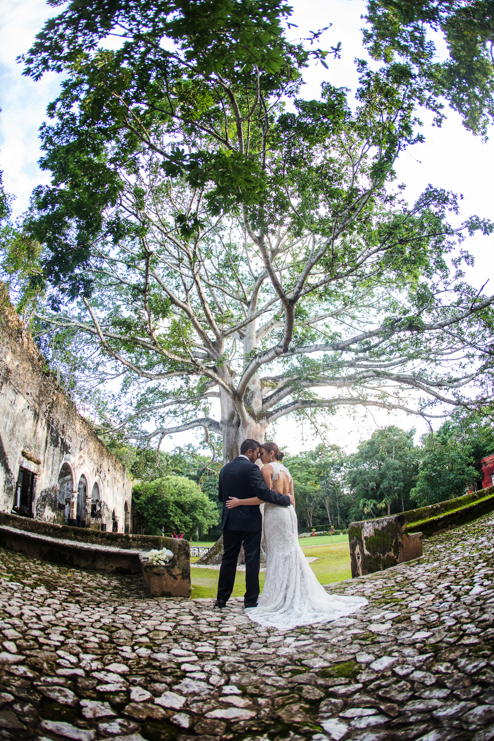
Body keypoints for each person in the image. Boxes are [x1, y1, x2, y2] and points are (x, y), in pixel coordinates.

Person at [225, 441, 368, 629]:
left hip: (274, 514)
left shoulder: (267, 469)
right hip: (289, 514)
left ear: (270, 454)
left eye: (262, 454)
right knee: (291, 551)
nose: (259, 457)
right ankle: (294, 592)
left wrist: (239, 502)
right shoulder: (287, 471)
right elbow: (292, 499)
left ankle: (280, 596)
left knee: (277, 554)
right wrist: (293, 519)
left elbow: (265, 497)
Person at [215, 438, 292, 610]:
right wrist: (285, 499)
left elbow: (221, 497)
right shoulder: (252, 469)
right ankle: (250, 600)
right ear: (249, 452)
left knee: (228, 559)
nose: (258, 457)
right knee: (252, 560)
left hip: (230, 520)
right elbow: (264, 493)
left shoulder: (224, 469)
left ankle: (221, 599)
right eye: (257, 453)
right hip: (250, 521)